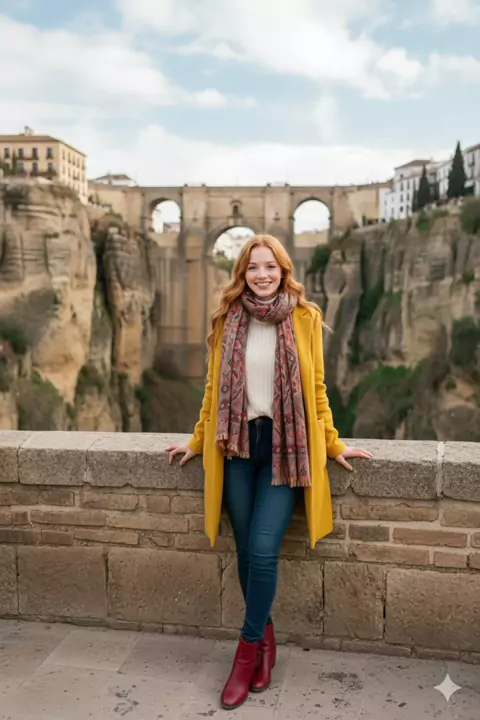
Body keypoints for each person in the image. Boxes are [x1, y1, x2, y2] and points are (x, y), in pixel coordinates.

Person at [166, 234, 372, 711]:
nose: (262, 275)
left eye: (270, 267)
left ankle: (245, 653)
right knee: (245, 552)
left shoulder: (305, 318)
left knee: (262, 551)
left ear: (284, 272)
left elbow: (316, 389)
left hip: (285, 449)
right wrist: (197, 440)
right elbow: (214, 389)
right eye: (253, 267)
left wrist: (333, 444)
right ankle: (266, 643)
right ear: (243, 273)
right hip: (237, 446)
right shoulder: (227, 318)